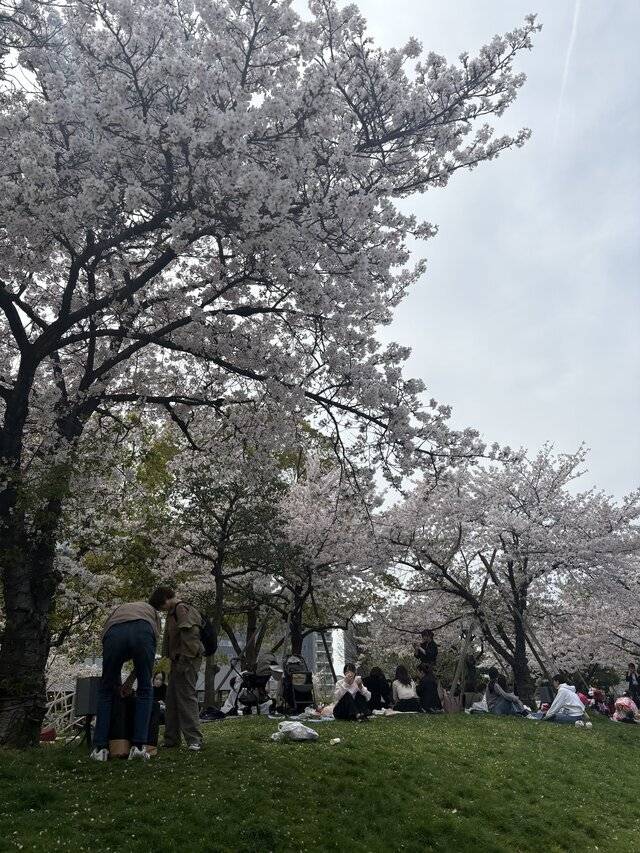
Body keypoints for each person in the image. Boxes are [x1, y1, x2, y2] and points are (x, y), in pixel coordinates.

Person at [90, 587, 174, 762]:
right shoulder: (153, 615)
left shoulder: (124, 607)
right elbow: (145, 663)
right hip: (142, 630)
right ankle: (139, 746)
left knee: (106, 691)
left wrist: (123, 683)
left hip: (112, 632)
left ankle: (100, 749)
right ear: (162, 602)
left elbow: (107, 629)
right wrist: (132, 681)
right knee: (145, 688)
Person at [162, 593, 205, 751]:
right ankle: (171, 739)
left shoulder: (181, 609)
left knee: (186, 697)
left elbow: (191, 635)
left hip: (186, 660)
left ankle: (194, 739)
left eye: (162, 605)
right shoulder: (172, 612)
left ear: (167, 599)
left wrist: (185, 660)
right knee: (171, 699)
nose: (162, 609)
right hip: (177, 660)